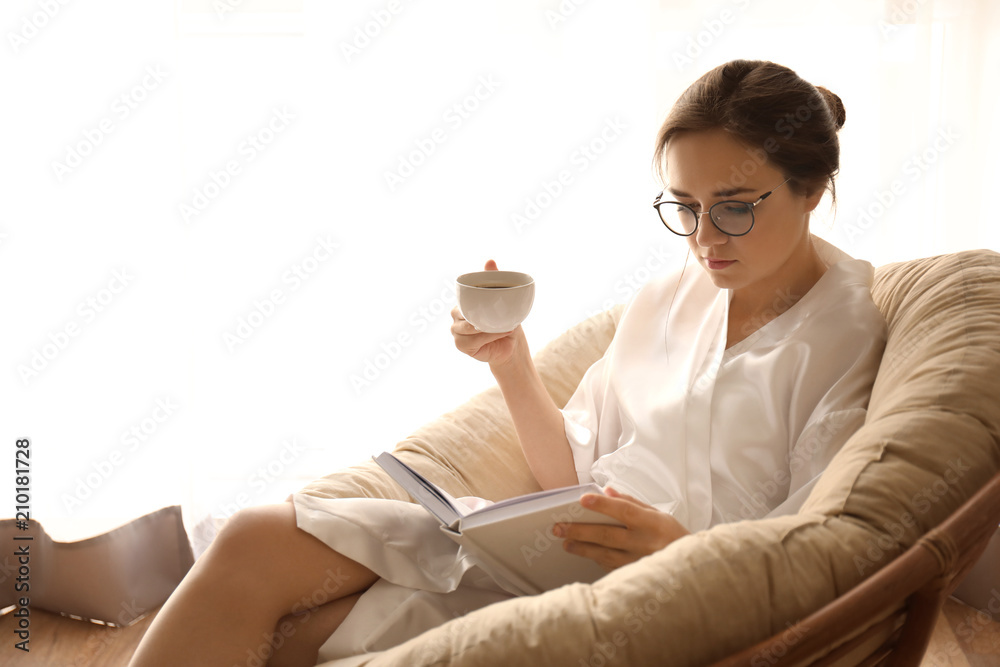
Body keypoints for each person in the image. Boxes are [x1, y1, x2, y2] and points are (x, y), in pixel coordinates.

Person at [128, 59, 886, 667]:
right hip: (549, 551)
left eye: (734, 206)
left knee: (298, 643)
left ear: (812, 189)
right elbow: (570, 474)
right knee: (252, 538)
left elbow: (813, 551)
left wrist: (676, 550)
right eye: (684, 206)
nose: (703, 238)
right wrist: (511, 361)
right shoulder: (672, 297)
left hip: (661, 597)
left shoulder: (844, 331)